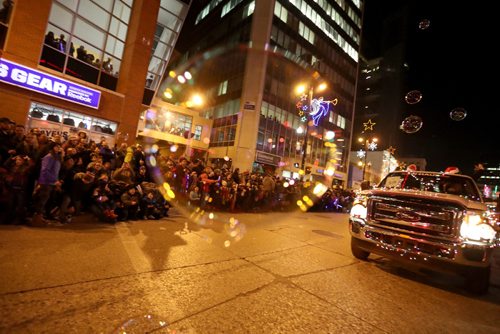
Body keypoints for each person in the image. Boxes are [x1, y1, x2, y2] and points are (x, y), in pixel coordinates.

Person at [31, 141, 63, 226]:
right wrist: (54, 180)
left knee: (45, 200)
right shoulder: (49, 157)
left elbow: (55, 171)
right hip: (45, 182)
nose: (59, 148)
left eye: (59, 146)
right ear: (52, 147)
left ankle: (40, 217)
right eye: (57, 146)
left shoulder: (56, 157)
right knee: (42, 201)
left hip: (51, 183)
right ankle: (37, 219)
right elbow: (45, 171)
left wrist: (57, 181)